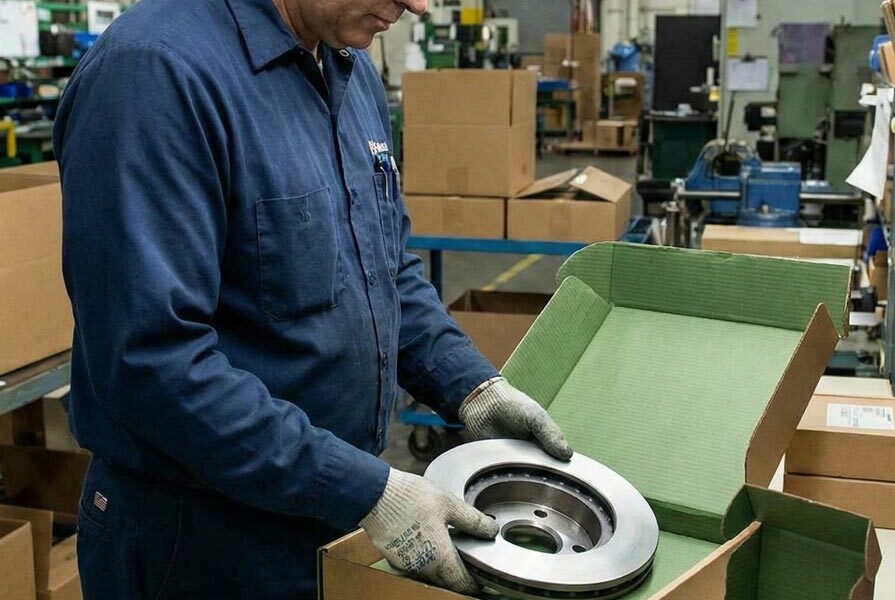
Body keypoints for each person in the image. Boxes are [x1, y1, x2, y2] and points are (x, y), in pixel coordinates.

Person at [53, 0, 572, 597]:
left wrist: (469, 386)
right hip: (198, 542)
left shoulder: (346, 66)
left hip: (320, 515)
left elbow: (384, 268)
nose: (419, 5)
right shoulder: (155, 75)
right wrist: (365, 489)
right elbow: (151, 362)